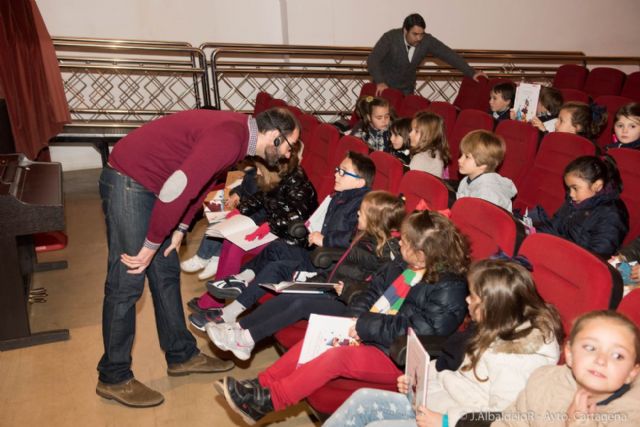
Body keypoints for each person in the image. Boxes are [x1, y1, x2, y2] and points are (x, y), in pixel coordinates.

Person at [95, 107, 300, 408]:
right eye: (288, 146)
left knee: (165, 273)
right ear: (274, 135)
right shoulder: (232, 137)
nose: (286, 155)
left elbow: (201, 183)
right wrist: (152, 242)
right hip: (132, 180)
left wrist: (179, 226)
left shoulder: (240, 135)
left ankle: (181, 355)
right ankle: (113, 376)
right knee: (128, 279)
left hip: (155, 185)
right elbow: (180, 187)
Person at [216, 210, 471, 424]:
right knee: (319, 336)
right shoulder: (403, 265)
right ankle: (260, 386)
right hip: (371, 332)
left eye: (405, 241)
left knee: (336, 355)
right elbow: (369, 292)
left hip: (396, 355)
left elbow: (418, 331)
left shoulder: (450, 288)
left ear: (423, 253)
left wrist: (364, 325)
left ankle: (269, 401)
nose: (399, 243)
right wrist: (355, 320)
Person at [323, 258, 563, 427]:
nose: (467, 300)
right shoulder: (494, 325)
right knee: (363, 398)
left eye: (474, 297)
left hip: (453, 419)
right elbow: (457, 374)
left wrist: (448, 422)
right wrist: (420, 381)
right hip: (438, 403)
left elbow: (501, 418)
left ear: (495, 306)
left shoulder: (519, 358)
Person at [197, 191, 405, 361]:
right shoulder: (363, 236)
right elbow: (341, 267)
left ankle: (247, 339)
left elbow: (375, 288)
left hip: (347, 302)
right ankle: (238, 328)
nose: (357, 215)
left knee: (300, 304)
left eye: (362, 212)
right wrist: (317, 281)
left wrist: (347, 289)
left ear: (376, 220)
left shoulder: (386, 253)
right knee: (288, 293)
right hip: (330, 287)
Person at [203, 151, 374, 315]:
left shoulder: (364, 207)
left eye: (343, 172)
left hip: (328, 264)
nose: (336, 174)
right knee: (276, 247)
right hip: (315, 251)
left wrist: (326, 239)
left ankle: (229, 313)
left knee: (275, 267)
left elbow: (359, 239)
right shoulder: (339, 197)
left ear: (360, 182)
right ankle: (240, 279)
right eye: (338, 169)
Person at [184, 143, 318, 314]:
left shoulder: (300, 185)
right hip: (273, 231)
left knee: (237, 245)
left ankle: (214, 300)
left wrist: (270, 225)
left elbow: (297, 216)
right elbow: (260, 198)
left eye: (261, 170)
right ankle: (216, 297)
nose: (258, 173)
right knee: (231, 242)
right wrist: (241, 209)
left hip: (290, 240)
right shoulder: (276, 178)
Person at [493, 310, 640, 427]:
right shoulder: (544, 382)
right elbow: (511, 422)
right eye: (590, 347)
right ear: (569, 354)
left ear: (632, 372)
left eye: (617, 356)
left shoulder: (632, 416)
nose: (601, 360)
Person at [180, 156, 290, 281]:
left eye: (260, 169)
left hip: (256, 219)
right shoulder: (253, 173)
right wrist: (236, 194)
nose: (257, 172)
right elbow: (242, 187)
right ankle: (210, 257)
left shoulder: (272, 187)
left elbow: (264, 212)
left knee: (223, 223)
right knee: (217, 213)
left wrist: (241, 215)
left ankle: (205, 258)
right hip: (243, 209)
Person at [529, 155, 628, 259]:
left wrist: (559, 254)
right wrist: (531, 234)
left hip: (580, 265)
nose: (571, 194)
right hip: (561, 254)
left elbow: (597, 256)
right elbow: (554, 226)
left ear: (597, 186)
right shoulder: (574, 201)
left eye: (575, 188)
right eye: (569, 188)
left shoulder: (612, 214)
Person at [367, 13, 485, 96]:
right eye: (415, 34)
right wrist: (380, 81)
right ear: (405, 30)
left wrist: (471, 72)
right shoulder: (390, 38)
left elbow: (448, 54)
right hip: (384, 89)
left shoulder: (427, 40)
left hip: (406, 91)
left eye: (421, 34)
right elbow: (373, 59)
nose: (419, 38)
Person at [457, 130, 517, 212]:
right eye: (461, 154)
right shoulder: (466, 180)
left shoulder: (487, 193)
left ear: (483, 164)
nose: (460, 160)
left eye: (467, 157)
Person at [408, 111, 450, 177]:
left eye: (416, 131)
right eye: (411, 130)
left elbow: (407, 184)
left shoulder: (420, 158)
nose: (410, 134)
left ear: (429, 136)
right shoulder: (437, 153)